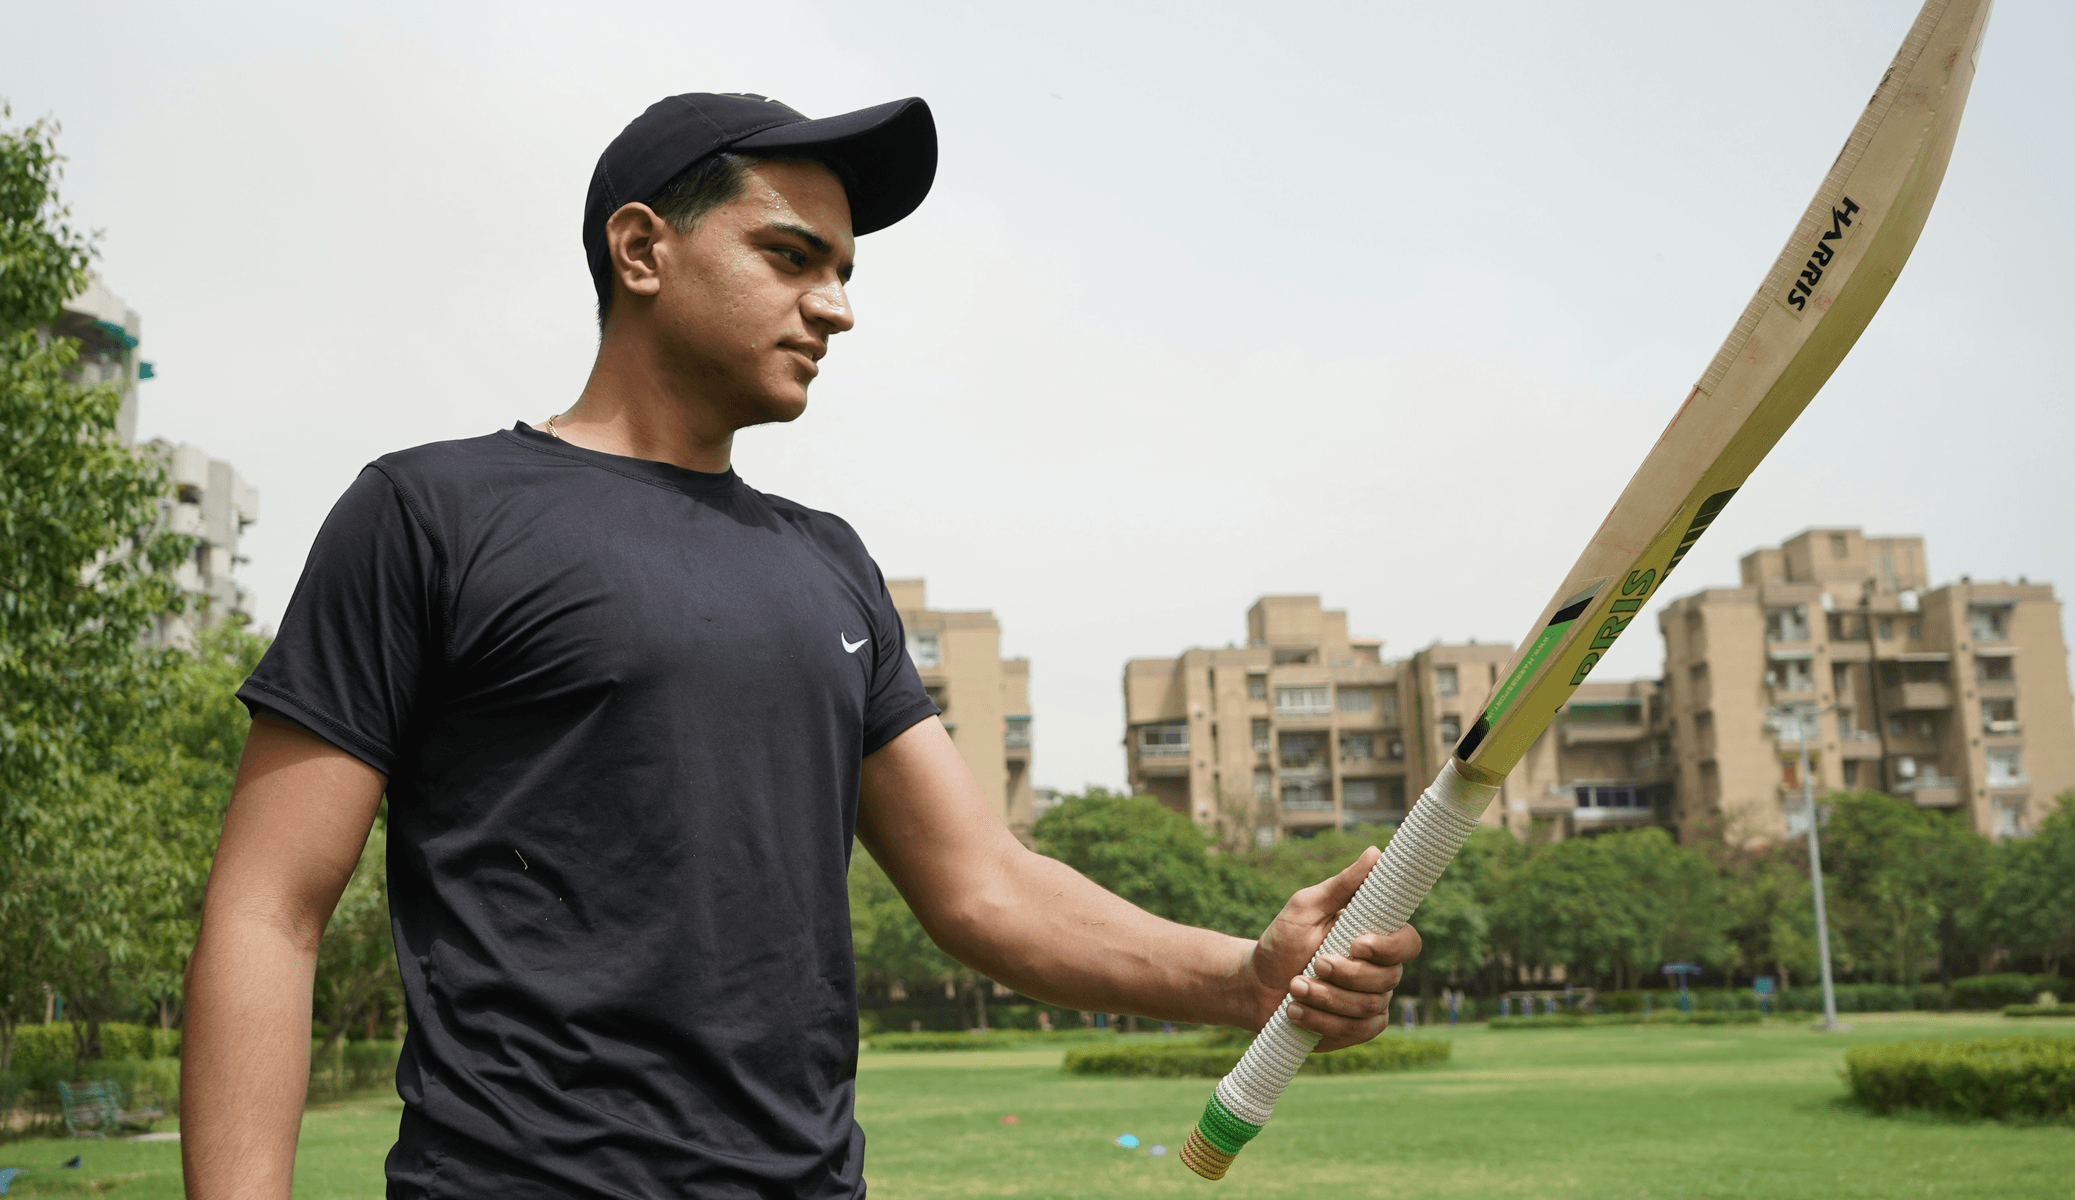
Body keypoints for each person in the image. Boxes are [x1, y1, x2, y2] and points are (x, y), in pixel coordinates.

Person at [179, 92, 1422, 1200]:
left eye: (842, 271)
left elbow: (983, 884)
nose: (833, 304)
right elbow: (269, 910)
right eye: (789, 256)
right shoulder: (429, 514)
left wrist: (1243, 975)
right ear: (641, 248)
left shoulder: (827, 561)